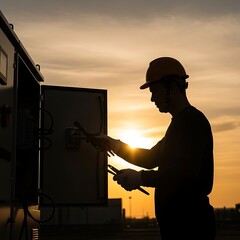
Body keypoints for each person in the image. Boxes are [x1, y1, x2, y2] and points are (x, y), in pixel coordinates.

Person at [92, 57, 216, 239]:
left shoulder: (192, 122)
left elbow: (184, 176)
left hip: (191, 229)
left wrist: (140, 178)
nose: (152, 98)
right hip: (182, 228)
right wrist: (114, 145)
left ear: (172, 87)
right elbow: (150, 158)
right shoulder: (179, 125)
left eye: (154, 90)